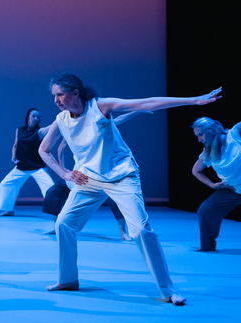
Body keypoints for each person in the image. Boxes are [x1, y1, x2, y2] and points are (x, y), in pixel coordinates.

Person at [38, 73, 221, 306]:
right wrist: (64, 173)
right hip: (89, 180)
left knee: (142, 231)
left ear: (75, 92)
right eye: (54, 95)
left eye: (60, 94)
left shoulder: (99, 106)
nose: (56, 99)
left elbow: (146, 102)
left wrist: (193, 100)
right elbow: (44, 150)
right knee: (63, 223)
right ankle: (68, 280)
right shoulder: (61, 119)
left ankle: (167, 290)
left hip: (121, 176)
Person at [42, 111, 148, 240]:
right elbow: (59, 148)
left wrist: (137, 111)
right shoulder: (70, 130)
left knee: (114, 200)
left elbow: (118, 120)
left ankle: (123, 232)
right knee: (52, 193)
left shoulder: (95, 126)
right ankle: (57, 226)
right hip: (77, 175)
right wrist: (63, 171)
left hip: (96, 176)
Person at [191, 117, 241, 251]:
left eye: (200, 134)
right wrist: (212, 185)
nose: (199, 139)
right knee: (206, 210)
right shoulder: (207, 152)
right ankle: (207, 247)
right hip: (232, 190)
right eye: (197, 136)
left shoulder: (234, 134)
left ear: (212, 130)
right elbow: (196, 171)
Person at [0, 109, 55, 216]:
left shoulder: (39, 132)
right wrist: (13, 156)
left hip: (37, 167)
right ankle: (9, 210)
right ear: (28, 117)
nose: (36, 119)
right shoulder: (19, 130)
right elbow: (15, 145)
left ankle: (56, 212)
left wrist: (61, 118)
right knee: (5, 184)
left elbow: (51, 127)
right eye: (33, 116)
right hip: (21, 167)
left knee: (50, 188)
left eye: (37, 117)